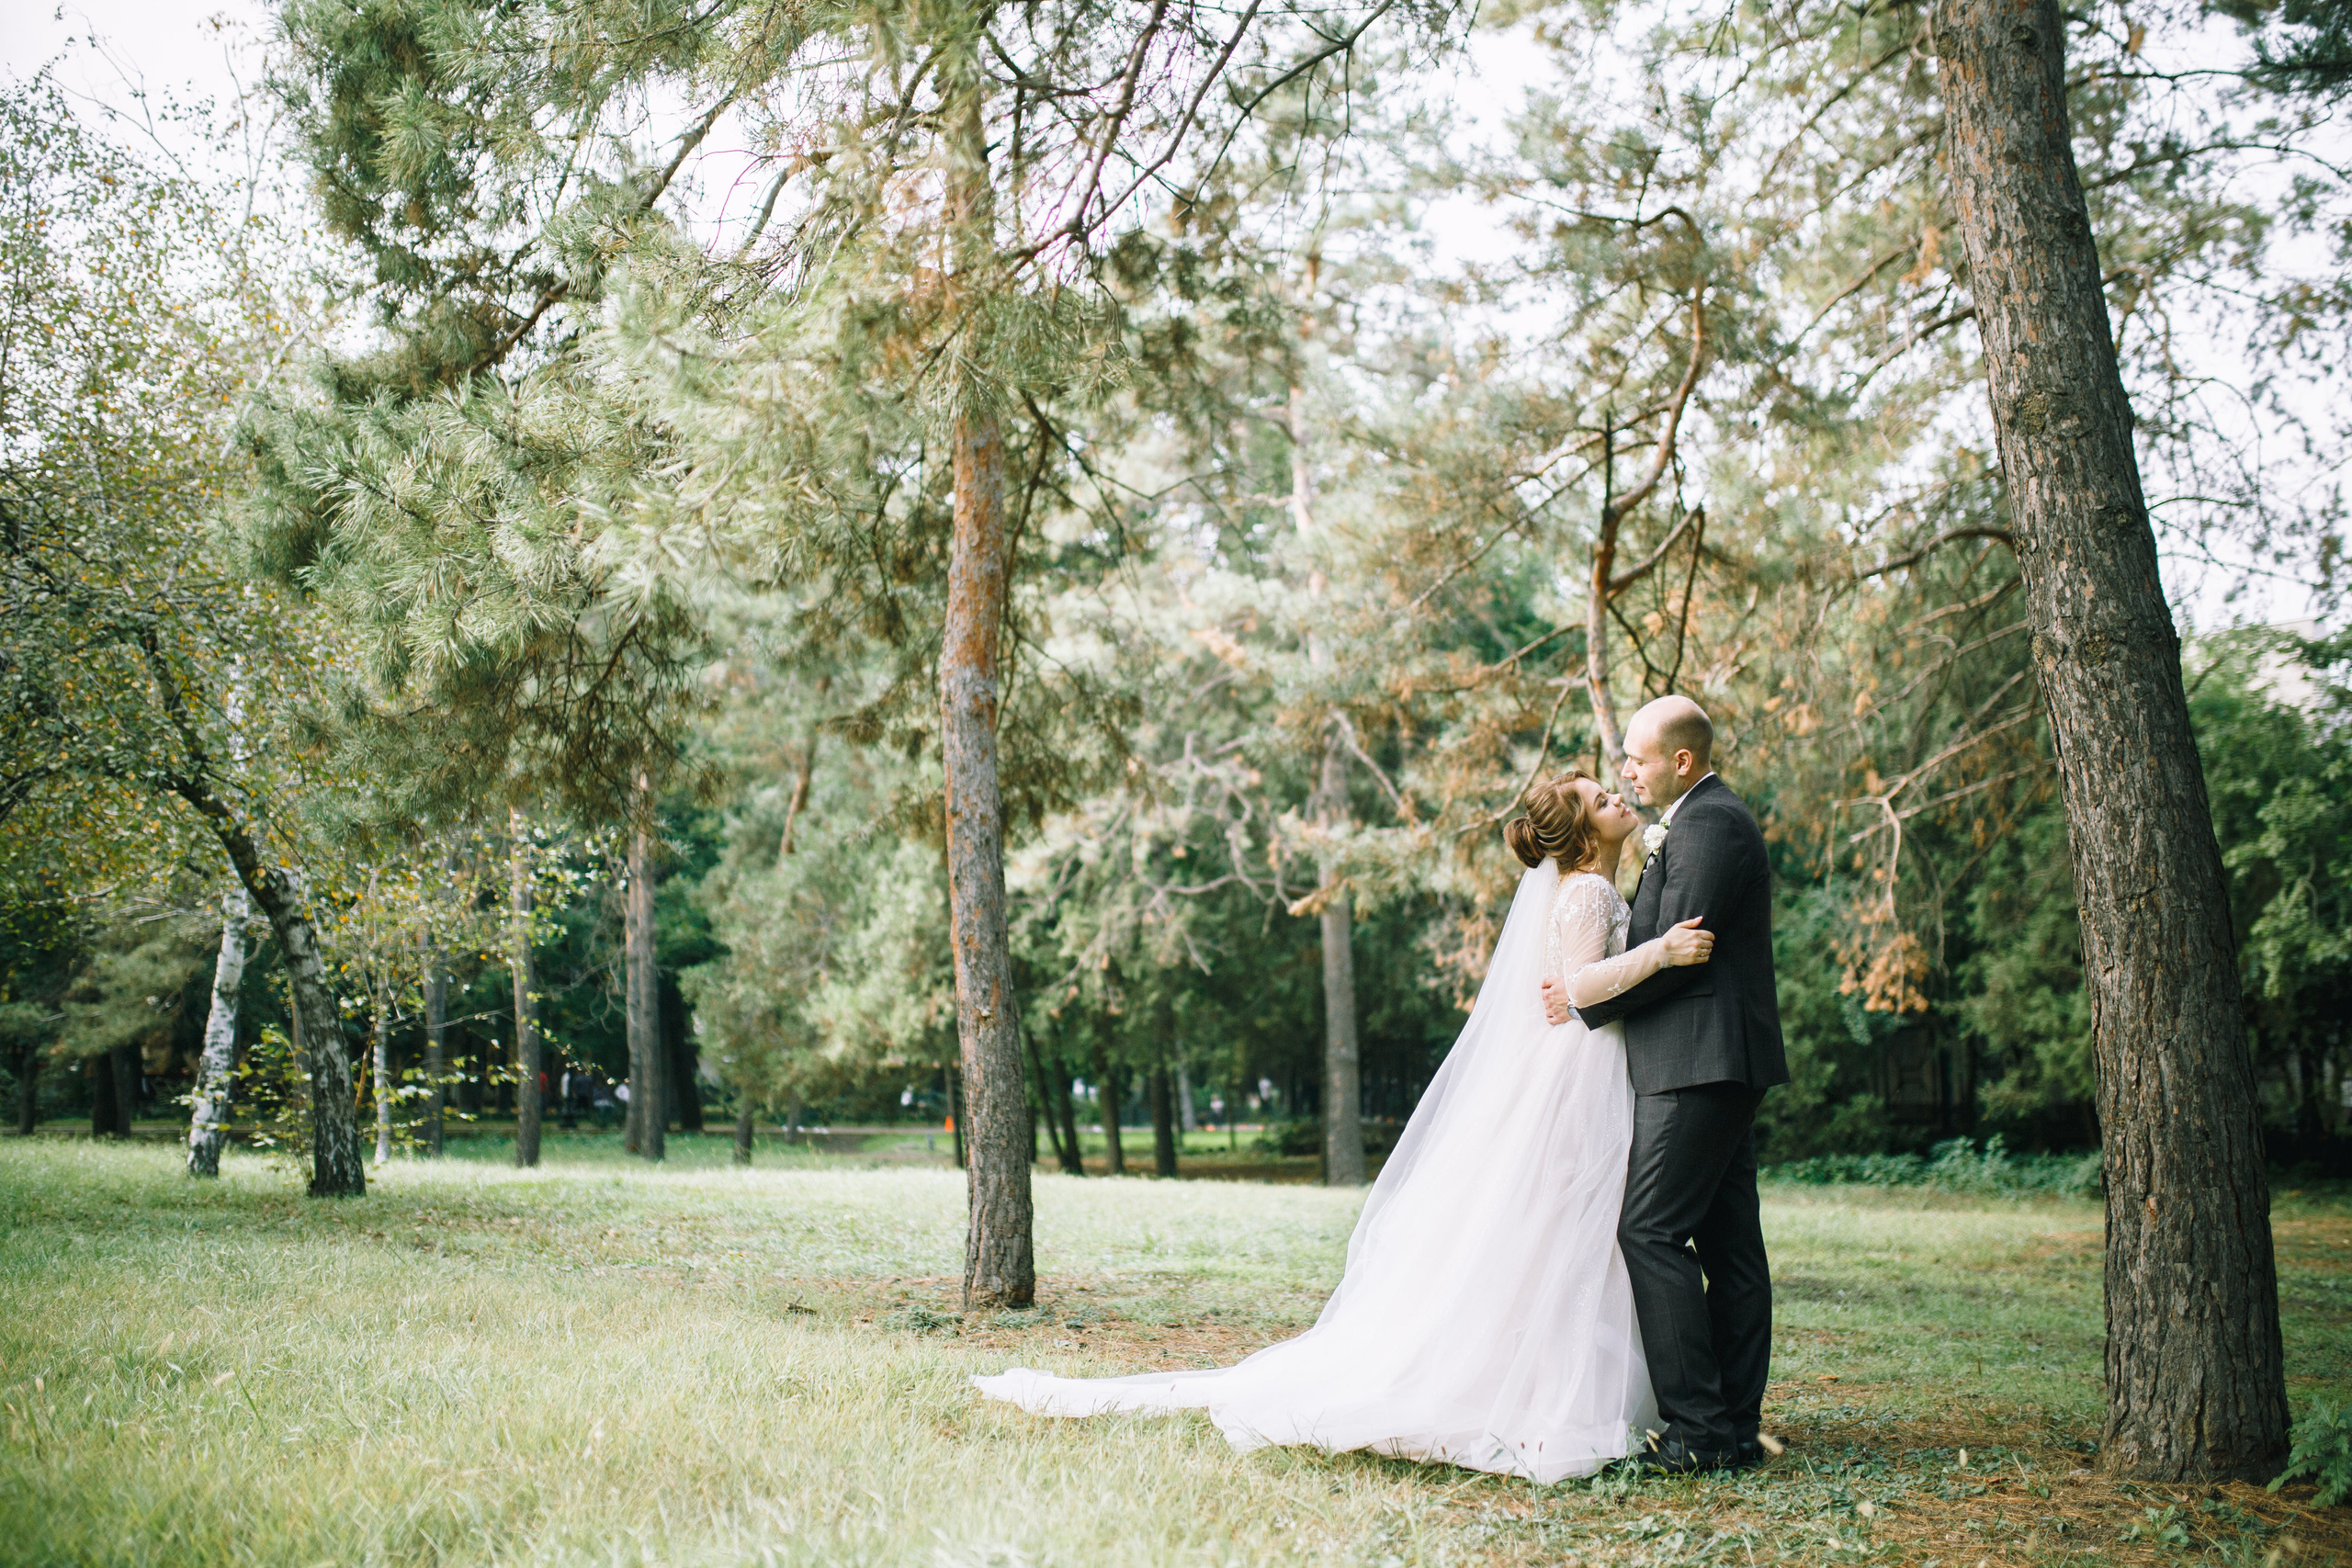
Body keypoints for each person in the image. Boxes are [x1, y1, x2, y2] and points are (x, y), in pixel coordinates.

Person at [973, 767, 1716, 1482]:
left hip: (1588, 1069)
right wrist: (1664, 951)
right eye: (1599, 796)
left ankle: (1551, 1380)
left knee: (1567, 1230)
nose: (1616, 795)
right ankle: (1538, 1392)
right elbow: (1583, 984)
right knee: (1561, 1227)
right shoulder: (1585, 889)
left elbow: (1570, 985)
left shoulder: (1590, 885)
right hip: (1572, 1081)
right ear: (1584, 832)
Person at [1543, 695, 1789, 1473]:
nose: (1627, 771)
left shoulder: (1710, 822)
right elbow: (1660, 944)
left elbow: (1681, 947)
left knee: (1648, 1228)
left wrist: (1585, 994)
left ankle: (1702, 1430)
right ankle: (1730, 1426)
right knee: (1729, 1244)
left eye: (1638, 760)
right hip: (1703, 1059)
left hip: (1699, 1060)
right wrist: (1588, 987)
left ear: (1679, 761)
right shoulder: (1691, 822)